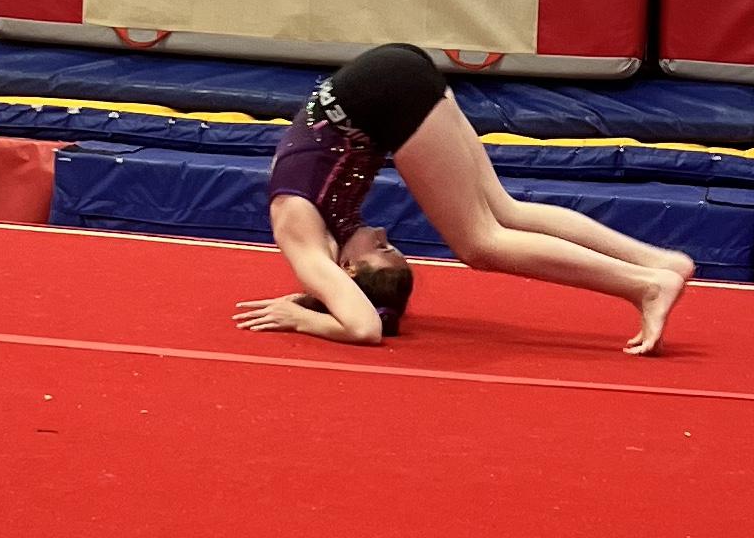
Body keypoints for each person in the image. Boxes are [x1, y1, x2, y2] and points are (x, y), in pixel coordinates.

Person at [238, 40, 691, 357]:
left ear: (348, 268)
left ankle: (645, 286)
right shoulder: (329, 243)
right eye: (390, 245)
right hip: (389, 79)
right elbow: (363, 311)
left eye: (381, 248)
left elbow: (363, 327)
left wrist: (301, 317)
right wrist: (319, 299)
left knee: (479, 244)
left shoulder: (300, 234)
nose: (382, 232)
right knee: (505, 212)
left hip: (385, 93)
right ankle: (659, 262)